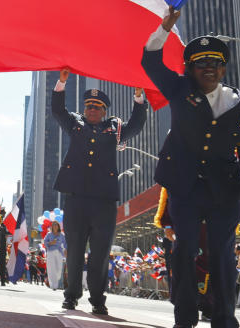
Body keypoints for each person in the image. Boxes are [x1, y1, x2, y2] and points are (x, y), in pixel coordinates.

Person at [142, 6, 240, 328]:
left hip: (225, 193)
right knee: (184, 252)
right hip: (185, 188)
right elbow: (150, 60)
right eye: (200, 64)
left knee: (223, 255)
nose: (208, 69)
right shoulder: (180, 90)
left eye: (214, 64)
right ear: (190, 69)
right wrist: (165, 27)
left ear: (223, 69)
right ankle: (184, 318)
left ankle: (225, 319)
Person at [52, 68, 147, 314]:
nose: (91, 111)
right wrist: (61, 83)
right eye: (88, 107)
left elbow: (136, 125)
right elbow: (57, 111)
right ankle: (71, 295)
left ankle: (97, 299)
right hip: (76, 199)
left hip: (104, 201)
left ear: (104, 111)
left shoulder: (113, 129)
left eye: (96, 107)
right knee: (74, 250)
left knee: (101, 252)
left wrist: (138, 98)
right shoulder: (75, 124)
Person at [44, 221, 67, 289]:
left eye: (56, 225)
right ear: (52, 227)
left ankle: (55, 281)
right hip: (50, 252)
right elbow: (45, 242)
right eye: (54, 225)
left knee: (59, 270)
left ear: (58, 226)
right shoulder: (49, 234)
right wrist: (50, 243)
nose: (55, 226)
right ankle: (53, 285)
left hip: (59, 252)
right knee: (51, 269)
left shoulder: (61, 235)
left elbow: (65, 243)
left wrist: (66, 249)